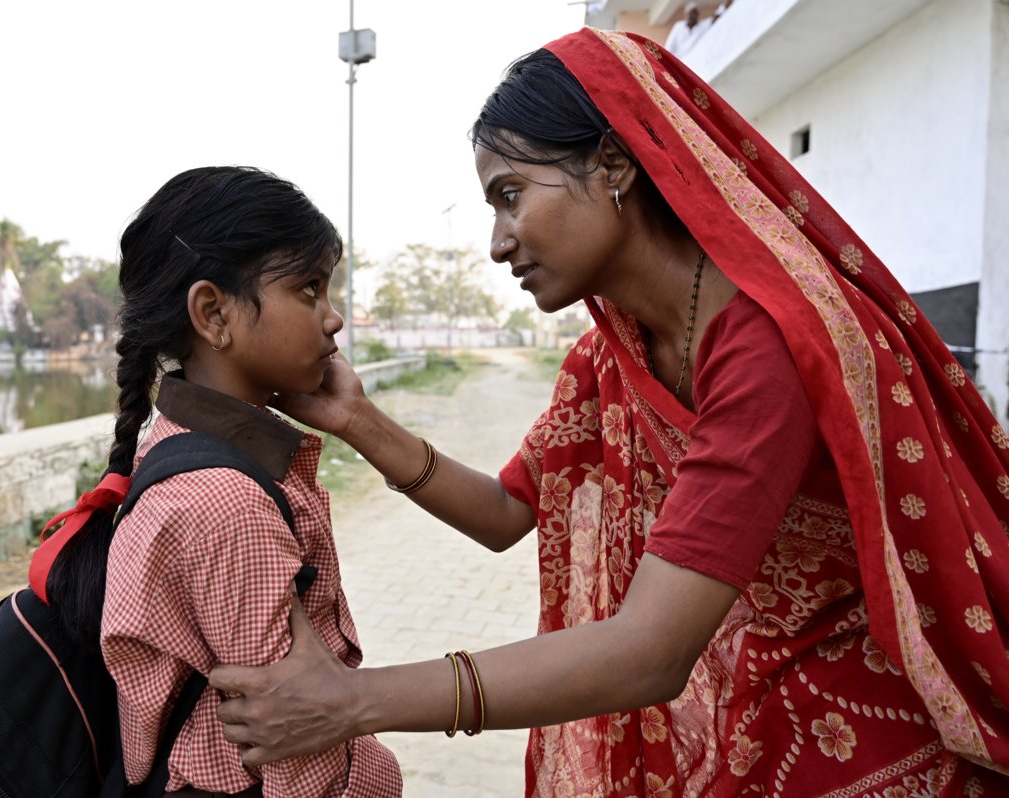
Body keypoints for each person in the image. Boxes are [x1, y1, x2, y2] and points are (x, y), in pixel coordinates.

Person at [208, 29, 1009, 797]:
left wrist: (356, 701)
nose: (497, 242)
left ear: (614, 164)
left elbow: (651, 651)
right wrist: (356, 420)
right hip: (754, 716)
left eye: (511, 196)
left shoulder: (769, 349)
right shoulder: (611, 356)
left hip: (867, 730)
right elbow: (507, 512)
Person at [33, 166, 402, 797]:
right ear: (213, 313)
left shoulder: (186, 451)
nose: (334, 319)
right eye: (310, 290)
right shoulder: (225, 502)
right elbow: (299, 753)